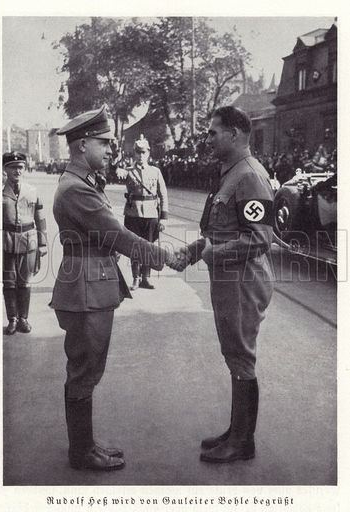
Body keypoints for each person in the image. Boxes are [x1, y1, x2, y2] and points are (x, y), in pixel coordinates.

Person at [51, 105, 178, 472]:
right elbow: (117, 235)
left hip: (90, 284)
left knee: (87, 369)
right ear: (81, 145)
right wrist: (164, 256)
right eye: (104, 143)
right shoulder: (77, 189)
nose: (111, 150)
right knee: (84, 371)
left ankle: (86, 444)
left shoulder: (83, 183)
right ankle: (81, 453)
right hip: (86, 288)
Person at [176, 106, 274, 464]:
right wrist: (192, 252)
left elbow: (260, 239)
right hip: (230, 279)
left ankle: (242, 442)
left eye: (213, 132)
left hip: (243, 281)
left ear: (234, 134)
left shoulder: (248, 176)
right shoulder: (230, 174)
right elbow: (215, 229)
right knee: (234, 354)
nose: (208, 138)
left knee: (241, 358)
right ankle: (236, 430)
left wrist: (213, 255)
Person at [2, 151, 47, 335]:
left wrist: (43, 243)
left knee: (25, 282)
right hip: (6, 241)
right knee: (9, 282)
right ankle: (12, 319)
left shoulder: (33, 191)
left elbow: (41, 219)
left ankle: (24, 318)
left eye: (20, 167)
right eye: (13, 168)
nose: (17, 171)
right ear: (5, 170)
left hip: (29, 240)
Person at [120, 135, 169, 290]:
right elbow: (116, 173)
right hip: (133, 215)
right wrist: (117, 168)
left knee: (148, 247)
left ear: (148, 154)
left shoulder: (156, 171)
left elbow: (163, 195)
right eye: (138, 152)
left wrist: (164, 218)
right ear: (134, 153)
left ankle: (145, 278)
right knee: (134, 247)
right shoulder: (128, 171)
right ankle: (135, 278)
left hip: (151, 215)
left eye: (143, 153)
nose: (141, 156)